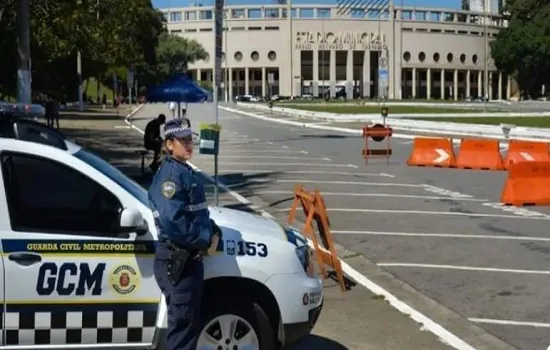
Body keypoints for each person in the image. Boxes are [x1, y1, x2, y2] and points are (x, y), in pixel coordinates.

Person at [148, 118, 222, 350]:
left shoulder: (183, 171)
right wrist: (205, 238)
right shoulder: (171, 176)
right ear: (169, 144)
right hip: (178, 261)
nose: (189, 144)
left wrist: (212, 229)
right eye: (183, 140)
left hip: (187, 261)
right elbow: (175, 222)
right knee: (182, 333)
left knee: (188, 327)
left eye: (190, 139)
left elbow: (195, 212)